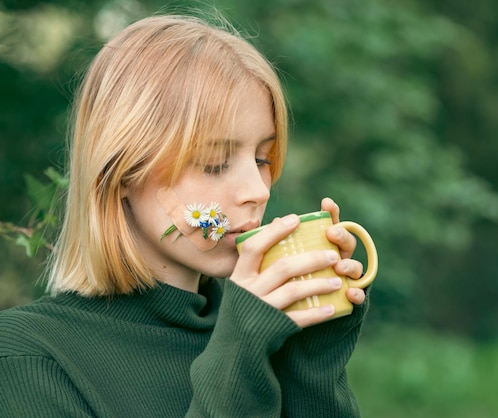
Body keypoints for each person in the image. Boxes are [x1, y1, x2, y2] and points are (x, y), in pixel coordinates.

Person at [0, 14, 370, 417]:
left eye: (263, 158)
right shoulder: (27, 356)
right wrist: (239, 350)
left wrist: (313, 354)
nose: (259, 190)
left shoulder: (269, 337)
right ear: (120, 173)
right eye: (214, 163)